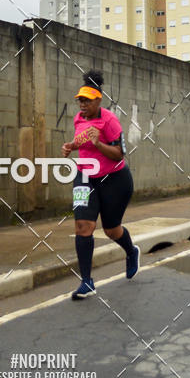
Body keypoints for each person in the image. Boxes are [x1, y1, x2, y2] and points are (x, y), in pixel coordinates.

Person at [62, 69, 140, 300]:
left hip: (114, 179)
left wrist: (99, 144)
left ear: (98, 100)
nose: (82, 104)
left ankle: (131, 251)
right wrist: (71, 146)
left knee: (111, 229)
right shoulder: (78, 118)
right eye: (80, 100)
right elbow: (82, 140)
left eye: (87, 100)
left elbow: (119, 154)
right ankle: (86, 281)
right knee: (83, 226)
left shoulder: (110, 121)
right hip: (85, 177)